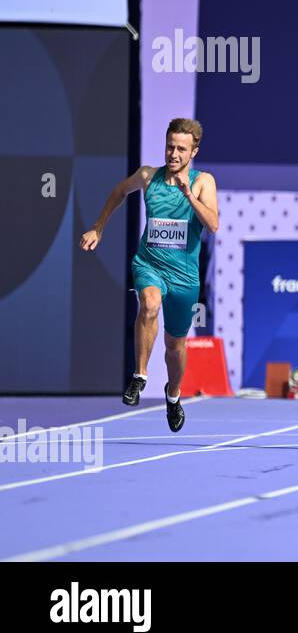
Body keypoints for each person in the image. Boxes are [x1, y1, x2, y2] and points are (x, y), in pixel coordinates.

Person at [79, 118, 220, 432]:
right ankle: (139, 376)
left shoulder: (202, 182)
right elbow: (119, 190)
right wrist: (98, 228)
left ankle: (173, 395)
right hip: (149, 264)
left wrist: (189, 196)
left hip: (184, 277)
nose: (173, 154)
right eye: (170, 146)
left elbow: (212, 225)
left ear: (193, 151)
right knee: (149, 303)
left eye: (181, 149)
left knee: (175, 347)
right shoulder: (147, 175)